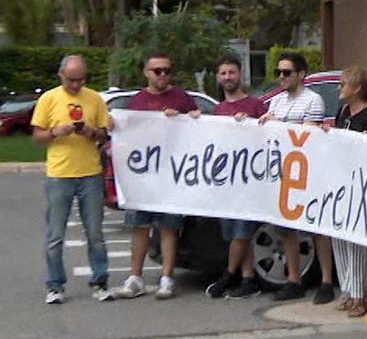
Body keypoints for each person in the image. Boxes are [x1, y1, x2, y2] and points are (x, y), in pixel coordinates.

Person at [113, 53, 197, 300]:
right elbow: (128, 135)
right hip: (143, 176)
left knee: (168, 228)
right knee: (139, 226)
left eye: (167, 70)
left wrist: (186, 117)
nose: (162, 75)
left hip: (171, 175)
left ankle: (167, 277)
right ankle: (135, 277)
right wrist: (114, 126)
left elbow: (197, 130)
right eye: (157, 70)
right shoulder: (137, 101)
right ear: (146, 73)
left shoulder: (181, 98)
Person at [32, 54, 112, 304]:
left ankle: (100, 281)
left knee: (95, 233)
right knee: (55, 234)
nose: (76, 85)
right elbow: (37, 136)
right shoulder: (49, 98)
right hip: (59, 174)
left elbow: (105, 133)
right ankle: (54, 285)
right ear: (61, 75)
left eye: (80, 80)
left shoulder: (95, 98)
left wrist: (90, 132)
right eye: (71, 80)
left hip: (89, 173)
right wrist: (56, 131)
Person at [203, 53, 270, 299]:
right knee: (232, 233)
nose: (228, 77)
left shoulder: (255, 105)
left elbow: (268, 134)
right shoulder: (218, 110)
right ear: (218, 78)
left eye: (232, 72)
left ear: (240, 74)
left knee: (243, 232)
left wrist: (250, 124)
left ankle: (227, 276)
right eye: (223, 73)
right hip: (225, 182)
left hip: (249, 181)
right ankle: (248, 279)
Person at [260, 51, 326, 302]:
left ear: (301, 74)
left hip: (307, 172)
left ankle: (326, 281)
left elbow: (309, 134)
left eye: (286, 72)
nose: (281, 77)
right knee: (286, 228)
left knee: (318, 229)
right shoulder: (276, 101)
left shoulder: (313, 100)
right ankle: (293, 280)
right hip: (282, 172)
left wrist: (278, 123)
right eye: (278, 72)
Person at [328, 67, 367, 317]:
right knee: (338, 237)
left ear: (358, 88)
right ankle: (347, 290)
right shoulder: (343, 112)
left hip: (363, 184)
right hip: (341, 180)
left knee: (357, 241)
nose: (340, 88)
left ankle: (360, 294)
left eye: (344, 83)